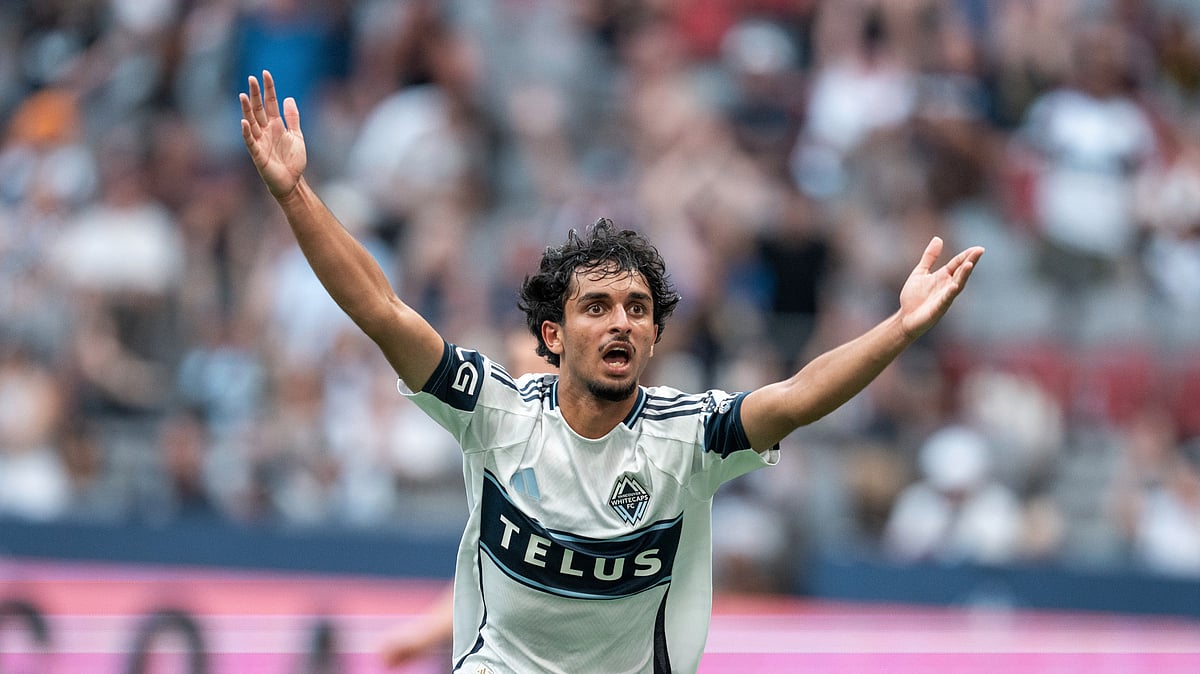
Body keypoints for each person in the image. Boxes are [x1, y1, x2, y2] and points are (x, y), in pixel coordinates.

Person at [240, 70, 984, 674]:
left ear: (655, 336)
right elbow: (382, 310)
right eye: (596, 306)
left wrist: (901, 327)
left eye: (636, 307)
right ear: (553, 335)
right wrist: (294, 194)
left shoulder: (687, 439)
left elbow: (795, 398)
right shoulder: (495, 413)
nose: (621, 320)